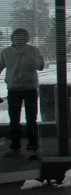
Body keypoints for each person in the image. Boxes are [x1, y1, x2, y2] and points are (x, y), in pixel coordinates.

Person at [0, 28, 46, 158]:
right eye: (17, 38)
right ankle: (15, 147)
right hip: (13, 90)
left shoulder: (33, 51)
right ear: (12, 39)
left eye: (22, 38)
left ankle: (32, 148)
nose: (19, 40)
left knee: (31, 120)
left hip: (30, 89)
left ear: (27, 39)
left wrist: (26, 54)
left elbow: (40, 66)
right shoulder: (6, 52)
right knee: (14, 121)